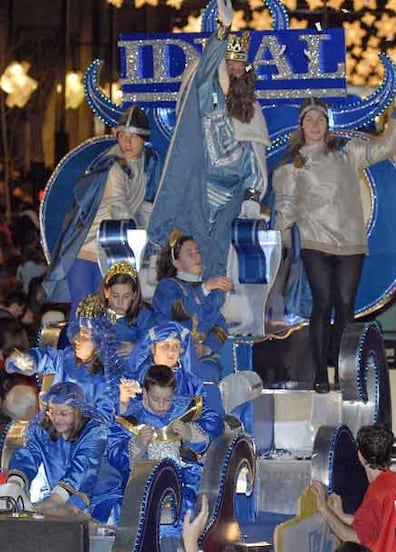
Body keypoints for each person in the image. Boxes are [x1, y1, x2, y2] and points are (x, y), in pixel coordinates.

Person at [273, 91, 396, 393]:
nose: (315, 124)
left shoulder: (348, 154)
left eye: (320, 119)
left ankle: (346, 373)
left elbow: (387, 148)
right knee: (322, 303)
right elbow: (285, 206)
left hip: (351, 242)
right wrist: (284, 242)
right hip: (315, 240)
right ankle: (320, 373)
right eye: (309, 119)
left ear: (327, 124)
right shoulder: (292, 165)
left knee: (346, 306)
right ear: (301, 126)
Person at [148, 0, 270, 278]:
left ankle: (215, 317)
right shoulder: (206, 97)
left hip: (233, 195)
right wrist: (222, 31)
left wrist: (252, 194)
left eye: (240, 65)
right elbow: (204, 72)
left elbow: (254, 156)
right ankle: (187, 314)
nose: (235, 69)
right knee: (191, 255)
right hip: (200, 188)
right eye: (229, 63)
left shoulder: (252, 110)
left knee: (219, 258)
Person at [43, 106, 161, 319]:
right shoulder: (114, 165)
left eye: (132, 137)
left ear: (143, 138)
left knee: (107, 315)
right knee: (82, 312)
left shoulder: (148, 165)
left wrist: (151, 234)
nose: (126, 143)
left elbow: (146, 205)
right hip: (87, 249)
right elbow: (119, 207)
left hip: (114, 247)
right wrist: (139, 239)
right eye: (122, 136)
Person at [110, 364, 224, 552]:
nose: (162, 405)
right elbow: (113, 453)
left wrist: (191, 433)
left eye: (167, 399)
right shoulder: (130, 418)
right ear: (144, 392)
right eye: (155, 399)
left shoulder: (187, 408)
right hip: (144, 488)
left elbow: (216, 422)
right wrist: (137, 445)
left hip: (185, 483)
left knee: (188, 518)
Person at [5, 294, 118, 421]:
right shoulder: (67, 358)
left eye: (85, 336)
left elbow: (102, 422)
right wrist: (28, 359)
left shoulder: (107, 382)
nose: (77, 339)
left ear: (100, 341)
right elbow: (46, 357)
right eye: (79, 332)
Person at [312, 424, 396, 552]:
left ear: (360, 455)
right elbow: (378, 525)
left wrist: (324, 510)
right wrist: (341, 515)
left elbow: (354, 539)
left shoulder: (377, 493)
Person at [6, 381, 108, 517]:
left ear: (77, 412)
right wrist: (15, 483)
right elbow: (29, 454)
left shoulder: (95, 431)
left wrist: (55, 500)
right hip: (59, 501)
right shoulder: (42, 428)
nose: (56, 419)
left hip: (99, 503)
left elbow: (82, 467)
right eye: (52, 412)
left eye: (64, 414)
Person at [152, 230, 231, 382]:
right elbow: (178, 311)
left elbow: (220, 326)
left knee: (211, 372)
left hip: (203, 360)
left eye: (198, 252)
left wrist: (206, 348)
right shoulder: (167, 287)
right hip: (173, 356)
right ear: (176, 263)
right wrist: (205, 288)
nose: (197, 257)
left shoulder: (210, 291)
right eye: (190, 253)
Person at [100, 260, 155, 351]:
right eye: (115, 296)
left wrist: (137, 348)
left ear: (134, 295)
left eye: (126, 296)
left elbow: (154, 343)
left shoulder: (145, 317)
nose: (120, 302)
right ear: (106, 292)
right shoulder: (96, 314)